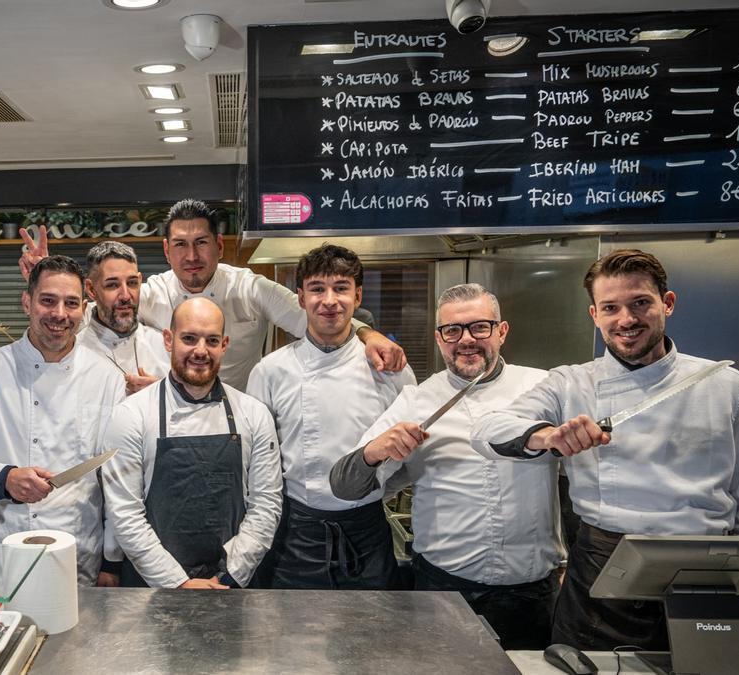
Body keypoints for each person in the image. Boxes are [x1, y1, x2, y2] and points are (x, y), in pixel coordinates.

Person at [470, 249, 739, 651]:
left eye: (640, 303)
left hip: (706, 567)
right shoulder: (570, 383)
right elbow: (487, 430)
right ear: (595, 316)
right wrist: (546, 436)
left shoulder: (728, 385)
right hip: (603, 563)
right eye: (610, 307)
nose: (626, 319)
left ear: (668, 303)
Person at [330, 283, 560, 649]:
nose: (465, 340)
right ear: (439, 339)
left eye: (479, 327)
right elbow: (343, 485)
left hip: (531, 593)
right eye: (452, 331)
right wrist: (374, 450)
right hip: (443, 592)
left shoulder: (543, 387)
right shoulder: (418, 401)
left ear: (501, 331)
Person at [20, 199, 407, 391]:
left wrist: (368, 334)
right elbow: (84, 316)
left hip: (238, 414)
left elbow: (318, 318)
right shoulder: (148, 292)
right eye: (181, 245)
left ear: (220, 245)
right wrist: (49, 281)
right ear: (166, 250)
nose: (191, 256)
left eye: (201, 242)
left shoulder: (251, 287)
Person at [0, 256, 126, 585]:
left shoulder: (107, 378)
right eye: (48, 301)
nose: (60, 314)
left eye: (71, 303)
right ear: (27, 302)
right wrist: (3, 479)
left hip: (77, 556)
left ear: (84, 308)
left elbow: (118, 478)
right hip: (2, 553)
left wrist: (113, 561)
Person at [246, 244, 414, 590]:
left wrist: (377, 489)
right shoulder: (270, 371)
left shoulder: (391, 368)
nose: (329, 300)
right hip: (295, 534)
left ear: (358, 295)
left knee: (371, 635)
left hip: (368, 533)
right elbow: (257, 464)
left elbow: (410, 453)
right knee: (292, 638)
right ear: (300, 297)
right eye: (317, 289)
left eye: (341, 288)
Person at [102, 297, 282, 589]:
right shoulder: (131, 415)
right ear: (168, 340)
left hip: (232, 586)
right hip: (153, 587)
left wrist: (228, 576)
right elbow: (125, 514)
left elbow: (266, 505)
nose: (201, 351)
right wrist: (177, 583)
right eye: (189, 338)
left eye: (211, 340)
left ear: (224, 345)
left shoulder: (253, 414)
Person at [79, 241, 168, 395]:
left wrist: (163, 395)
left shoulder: (165, 346)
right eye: (113, 285)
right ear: (91, 289)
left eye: (132, 283)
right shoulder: (75, 352)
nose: (126, 296)